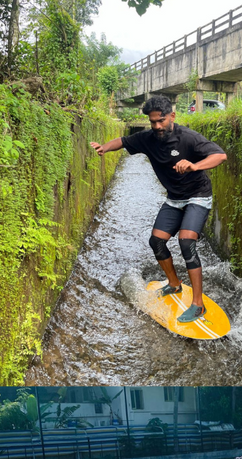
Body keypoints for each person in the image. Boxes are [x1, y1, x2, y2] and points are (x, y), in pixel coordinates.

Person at [90, 96, 228, 323]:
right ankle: (174, 284)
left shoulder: (189, 138)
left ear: (172, 116)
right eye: (152, 122)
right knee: (156, 242)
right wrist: (104, 147)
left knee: (186, 242)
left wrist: (194, 165)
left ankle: (198, 304)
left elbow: (220, 155)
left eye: (161, 121)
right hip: (175, 199)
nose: (156, 126)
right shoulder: (148, 138)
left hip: (198, 195)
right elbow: (123, 141)